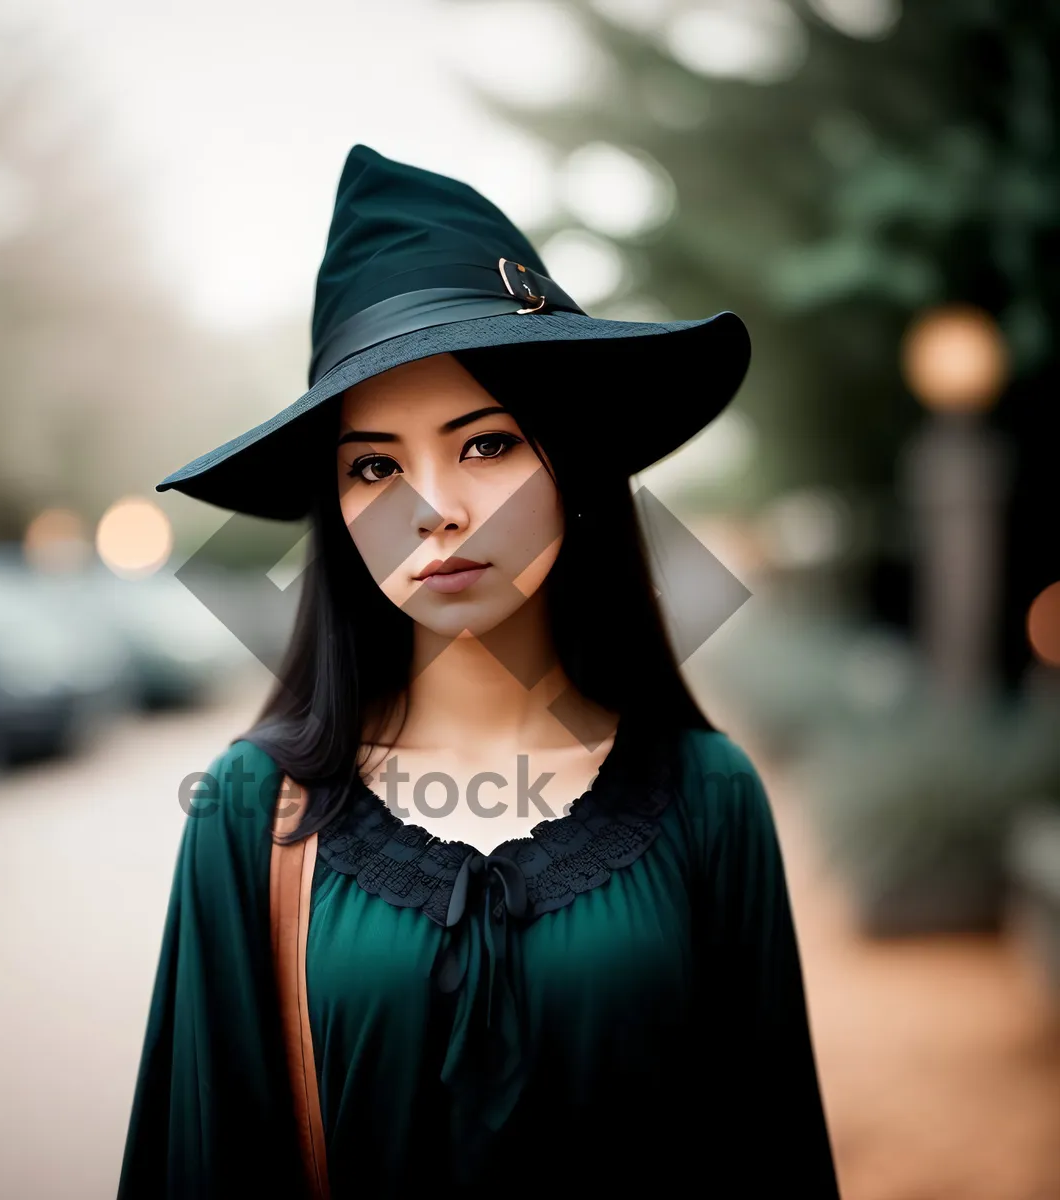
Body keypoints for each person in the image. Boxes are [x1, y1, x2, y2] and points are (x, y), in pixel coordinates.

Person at [117, 144, 840, 1198]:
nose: (432, 507)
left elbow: (770, 1156)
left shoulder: (708, 797)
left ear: (574, 470)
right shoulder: (250, 810)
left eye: (486, 444)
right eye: (375, 465)